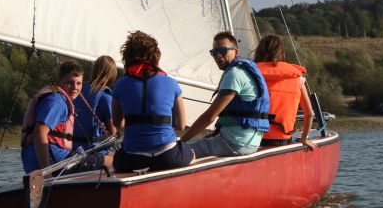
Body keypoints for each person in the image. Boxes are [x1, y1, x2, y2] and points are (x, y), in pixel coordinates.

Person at [111, 31, 194, 172]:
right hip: (168, 155)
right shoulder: (171, 83)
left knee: (116, 159)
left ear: (127, 56)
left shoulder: (120, 85)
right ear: (155, 55)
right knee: (191, 153)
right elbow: (181, 125)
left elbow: (117, 123)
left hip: (132, 159)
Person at [180, 31, 271, 158]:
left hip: (236, 143)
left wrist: (181, 142)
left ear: (236, 52)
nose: (218, 55)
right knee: (197, 142)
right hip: (248, 142)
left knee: (179, 152)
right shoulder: (242, 70)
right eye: (214, 52)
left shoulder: (235, 73)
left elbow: (210, 117)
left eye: (223, 50)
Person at [254, 34, 317, 150]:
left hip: (253, 137)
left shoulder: (250, 74)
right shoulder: (297, 78)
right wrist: (304, 139)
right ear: (281, 52)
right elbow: (309, 114)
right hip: (282, 138)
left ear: (259, 51)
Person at [20, 60, 83, 173]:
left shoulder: (54, 97)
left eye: (79, 83)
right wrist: (46, 172)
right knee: (109, 162)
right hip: (53, 160)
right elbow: (39, 132)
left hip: (33, 160)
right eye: (70, 82)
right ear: (58, 82)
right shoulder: (57, 101)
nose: (75, 87)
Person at [73, 55, 117, 159]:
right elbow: (113, 133)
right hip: (92, 151)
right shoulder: (106, 98)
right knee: (121, 161)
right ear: (112, 75)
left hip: (73, 147)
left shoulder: (78, 91)